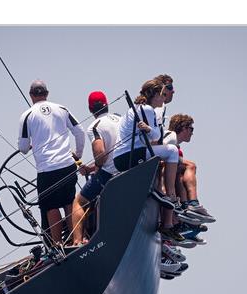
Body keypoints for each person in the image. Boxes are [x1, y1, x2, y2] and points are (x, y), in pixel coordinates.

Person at [111, 79, 184, 243]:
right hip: (128, 156)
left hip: (125, 154)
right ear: (154, 95)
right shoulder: (147, 109)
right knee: (172, 152)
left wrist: (149, 130)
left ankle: (162, 192)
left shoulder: (139, 108)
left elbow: (153, 138)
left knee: (165, 153)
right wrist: (150, 130)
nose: (163, 98)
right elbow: (154, 138)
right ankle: (170, 194)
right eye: (161, 95)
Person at [18, 80, 86, 244]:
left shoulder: (27, 115)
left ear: (31, 95)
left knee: (50, 206)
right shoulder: (62, 109)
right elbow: (80, 132)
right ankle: (75, 241)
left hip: (47, 170)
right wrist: (77, 155)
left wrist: (33, 143)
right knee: (70, 202)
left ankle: (58, 245)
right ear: (47, 94)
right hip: (67, 165)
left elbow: (23, 148)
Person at [70, 91, 120, 246]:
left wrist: (96, 167)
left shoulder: (94, 127)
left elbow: (101, 155)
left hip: (109, 174)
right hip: (128, 169)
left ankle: (77, 241)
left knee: (79, 201)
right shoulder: (121, 118)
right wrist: (90, 169)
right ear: (107, 104)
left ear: (90, 109)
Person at [163, 114, 216, 223]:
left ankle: (186, 207)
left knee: (182, 174)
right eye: (191, 129)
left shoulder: (177, 146)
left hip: (170, 176)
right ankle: (193, 203)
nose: (192, 133)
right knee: (191, 165)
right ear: (184, 128)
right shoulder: (170, 136)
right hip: (162, 172)